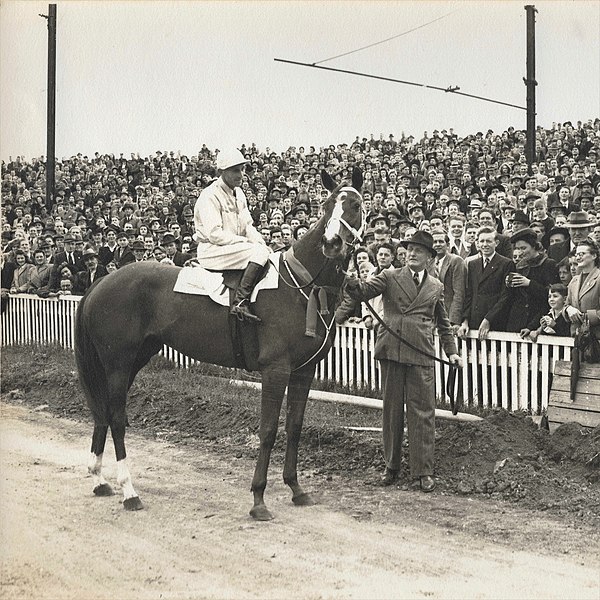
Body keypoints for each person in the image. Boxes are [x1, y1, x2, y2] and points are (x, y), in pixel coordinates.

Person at [345, 230, 461, 491]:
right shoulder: (389, 276)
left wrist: (452, 352)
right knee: (392, 410)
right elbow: (363, 290)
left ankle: (423, 471)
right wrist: (351, 279)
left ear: (430, 257)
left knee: (423, 413)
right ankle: (392, 466)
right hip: (392, 350)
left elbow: (443, 324)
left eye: (418, 250)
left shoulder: (436, 286)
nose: (411, 253)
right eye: (409, 249)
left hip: (421, 352)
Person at [193, 149, 269, 322]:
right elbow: (215, 235)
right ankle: (240, 302)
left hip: (232, 247)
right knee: (259, 253)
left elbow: (248, 225)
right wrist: (247, 243)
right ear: (221, 172)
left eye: (242, 169)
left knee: (265, 252)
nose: (241, 174)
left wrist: (261, 243)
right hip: (212, 250)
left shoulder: (239, 193)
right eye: (235, 170)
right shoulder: (209, 195)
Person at [457, 227, 514, 340]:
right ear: (477, 243)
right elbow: (470, 295)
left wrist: (488, 319)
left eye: (489, 241)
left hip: (495, 322)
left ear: (496, 243)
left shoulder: (506, 264)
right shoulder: (473, 264)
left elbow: (506, 296)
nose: (485, 244)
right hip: (474, 321)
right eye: (481, 241)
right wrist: (465, 321)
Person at [505, 228, 560, 338]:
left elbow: (550, 296)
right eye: (517, 248)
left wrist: (529, 283)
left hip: (537, 324)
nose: (520, 252)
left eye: (524, 248)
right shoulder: (518, 266)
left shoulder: (548, 264)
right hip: (516, 323)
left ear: (534, 246)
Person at [565, 238, 600, 339]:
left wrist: (584, 317)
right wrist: (568, 309)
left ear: (594, 256)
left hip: (596, 339)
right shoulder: (574, 280)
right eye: (577, 255)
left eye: (582, 254)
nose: (578, 258)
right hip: (578, 339)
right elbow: (566, 304)